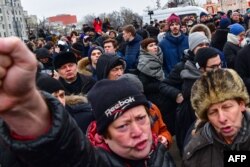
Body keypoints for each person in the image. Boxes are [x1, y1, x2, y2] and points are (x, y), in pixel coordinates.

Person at [0, 37, 175, 166]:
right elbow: (68, 153)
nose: (138, 132)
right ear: (104, 135)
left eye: (141, 118)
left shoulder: (157, 152)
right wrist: (27, 111)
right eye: (122, 126)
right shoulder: (96, 161)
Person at [182, 68, 250, 167]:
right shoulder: (195, 153)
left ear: (241, 105)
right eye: (213, 112)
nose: (222, 119)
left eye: (227, 107)